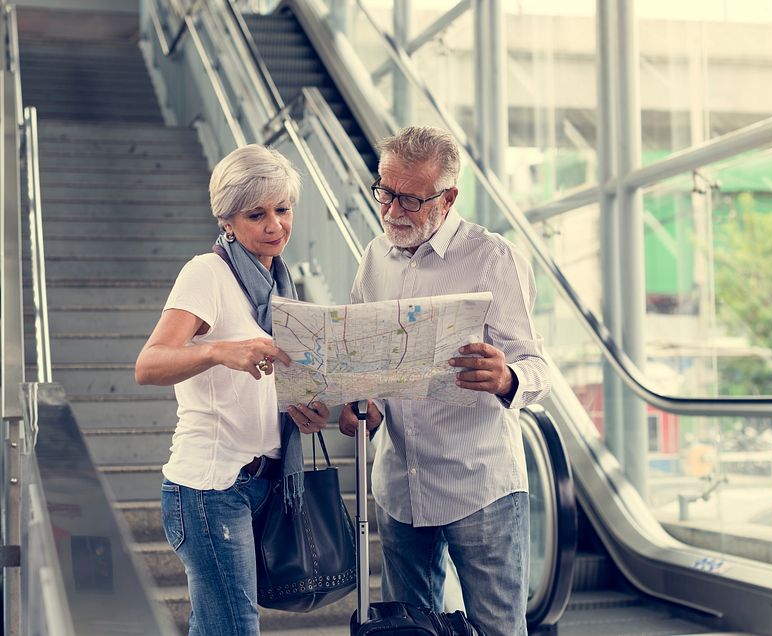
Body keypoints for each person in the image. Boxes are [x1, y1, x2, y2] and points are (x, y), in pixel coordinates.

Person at [338, 126, 551, 636]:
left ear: (448, 197)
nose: (392, 211)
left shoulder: (492, 257)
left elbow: (537, 368)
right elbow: (370, 363)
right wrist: (362, 402)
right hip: (400, 482)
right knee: (408, 630)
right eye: (384, 192)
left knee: (498, 629)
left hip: (478, 485)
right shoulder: (373, 259)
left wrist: (506, 377)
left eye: (409, 200)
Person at [135, 144, 331, 636]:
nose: (275, 225)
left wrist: (300, 408)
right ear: (227, 220)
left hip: (264, 483)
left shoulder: (280, 283)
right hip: (211, 487)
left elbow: (266, 382)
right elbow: (148, 364)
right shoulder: (208, 273)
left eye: (283, 210)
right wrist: (219, 351)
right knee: (234, 628)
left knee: (220, 626)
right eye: (257, 214)